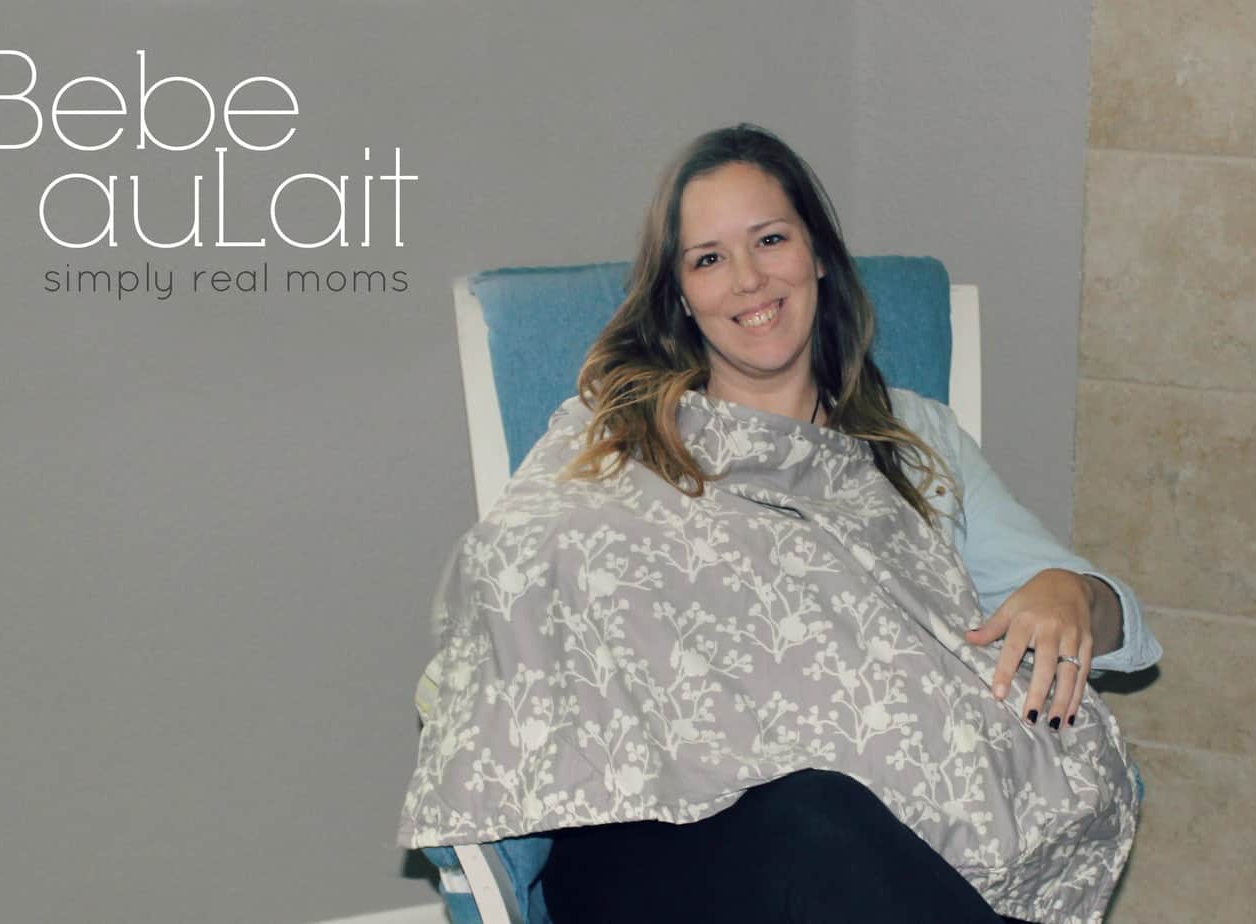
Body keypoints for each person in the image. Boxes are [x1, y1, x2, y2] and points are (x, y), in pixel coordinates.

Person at [399, 125, 1160, 924]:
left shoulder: (913, 437)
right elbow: (509, 580)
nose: (748, 279)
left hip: (894, 841)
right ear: (680, 294)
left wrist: (1072, 591)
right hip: (646, 837)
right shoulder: (615, 442)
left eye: (769, 239)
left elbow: (1124, 629)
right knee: (815, 816)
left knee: (832, 821)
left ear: (818, 253)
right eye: (708, 258)